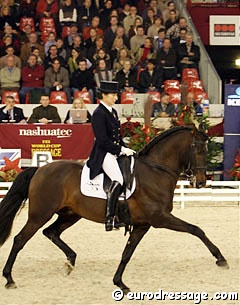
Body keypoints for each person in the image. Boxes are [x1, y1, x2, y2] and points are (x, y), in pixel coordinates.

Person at [87, 80, 135, 231]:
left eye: (116, 95)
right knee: (118, 179)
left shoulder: (113, 111)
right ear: (104, 95)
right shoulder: (98, 113)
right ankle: (110, 218)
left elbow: (117, 137)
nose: (116, 98)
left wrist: (127, 149)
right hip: (103, 154)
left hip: (114, 150)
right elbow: (102, 140)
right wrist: (120, 150)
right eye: (113, 95)